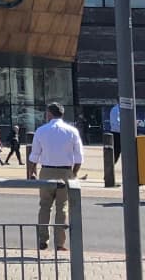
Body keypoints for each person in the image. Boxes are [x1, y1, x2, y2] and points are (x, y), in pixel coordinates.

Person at [27, 102, 84, 251]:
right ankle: (59, 243)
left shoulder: (41, 131)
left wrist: (31, 172)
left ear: (49, 114)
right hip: (65, 172)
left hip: (46, 171)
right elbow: (79, 158)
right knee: (62, 207)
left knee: (45, 206)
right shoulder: (72, 131)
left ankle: (42, 239)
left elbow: (34, 155)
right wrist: (73, 173)